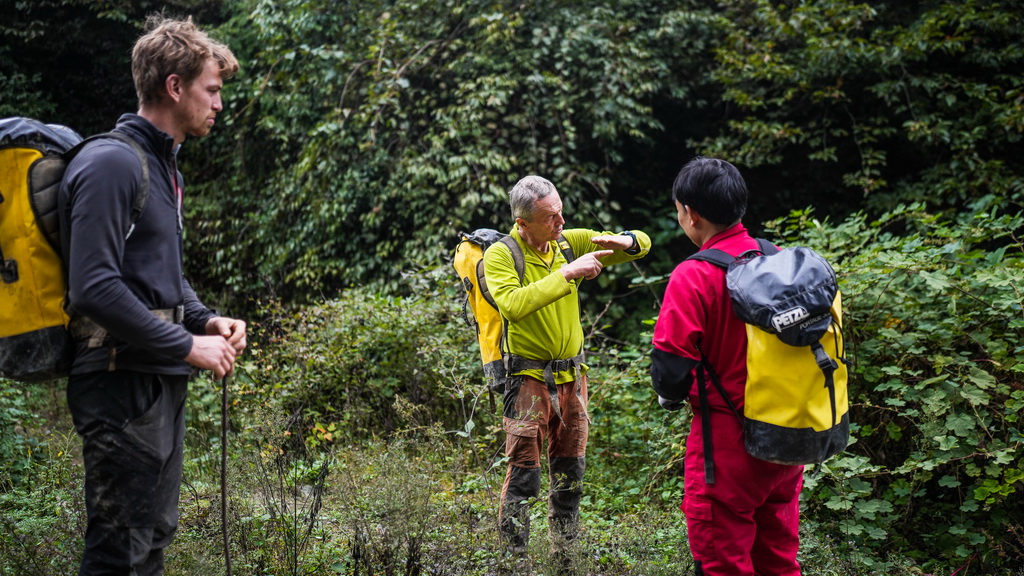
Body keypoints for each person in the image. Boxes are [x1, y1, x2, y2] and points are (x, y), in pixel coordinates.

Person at [57, 15, 245, 576]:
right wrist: (187, 347)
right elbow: (92, 286)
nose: (218, 104)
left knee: (152, 544)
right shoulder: (113, 162)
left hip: (155, 379)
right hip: (119, 384)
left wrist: (206, 321)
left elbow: (162, 276)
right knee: (120, 552)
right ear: (174, 86)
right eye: (211, 90)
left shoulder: (163, 168)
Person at [483, 175, 651, 571]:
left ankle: (566, 558)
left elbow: (641, 244)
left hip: (572, 380)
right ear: (522, 223)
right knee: (525, 474)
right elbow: (513, 305)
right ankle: (515, 562)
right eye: (549, 217)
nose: (561, 222)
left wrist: (624, 242)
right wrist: (568, 274)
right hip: (527, 379)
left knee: (570, 470)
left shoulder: (566, 241)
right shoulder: (502, 256)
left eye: (561, 212)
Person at [650, 157, 803, 576]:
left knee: (722, 563)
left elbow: (670, 374)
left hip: (728, 444)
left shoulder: (695, 275)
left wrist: (669, 393)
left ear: (691, 214)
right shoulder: (779, 259)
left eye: (679, 210)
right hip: (788, 437)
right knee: (779, 560)